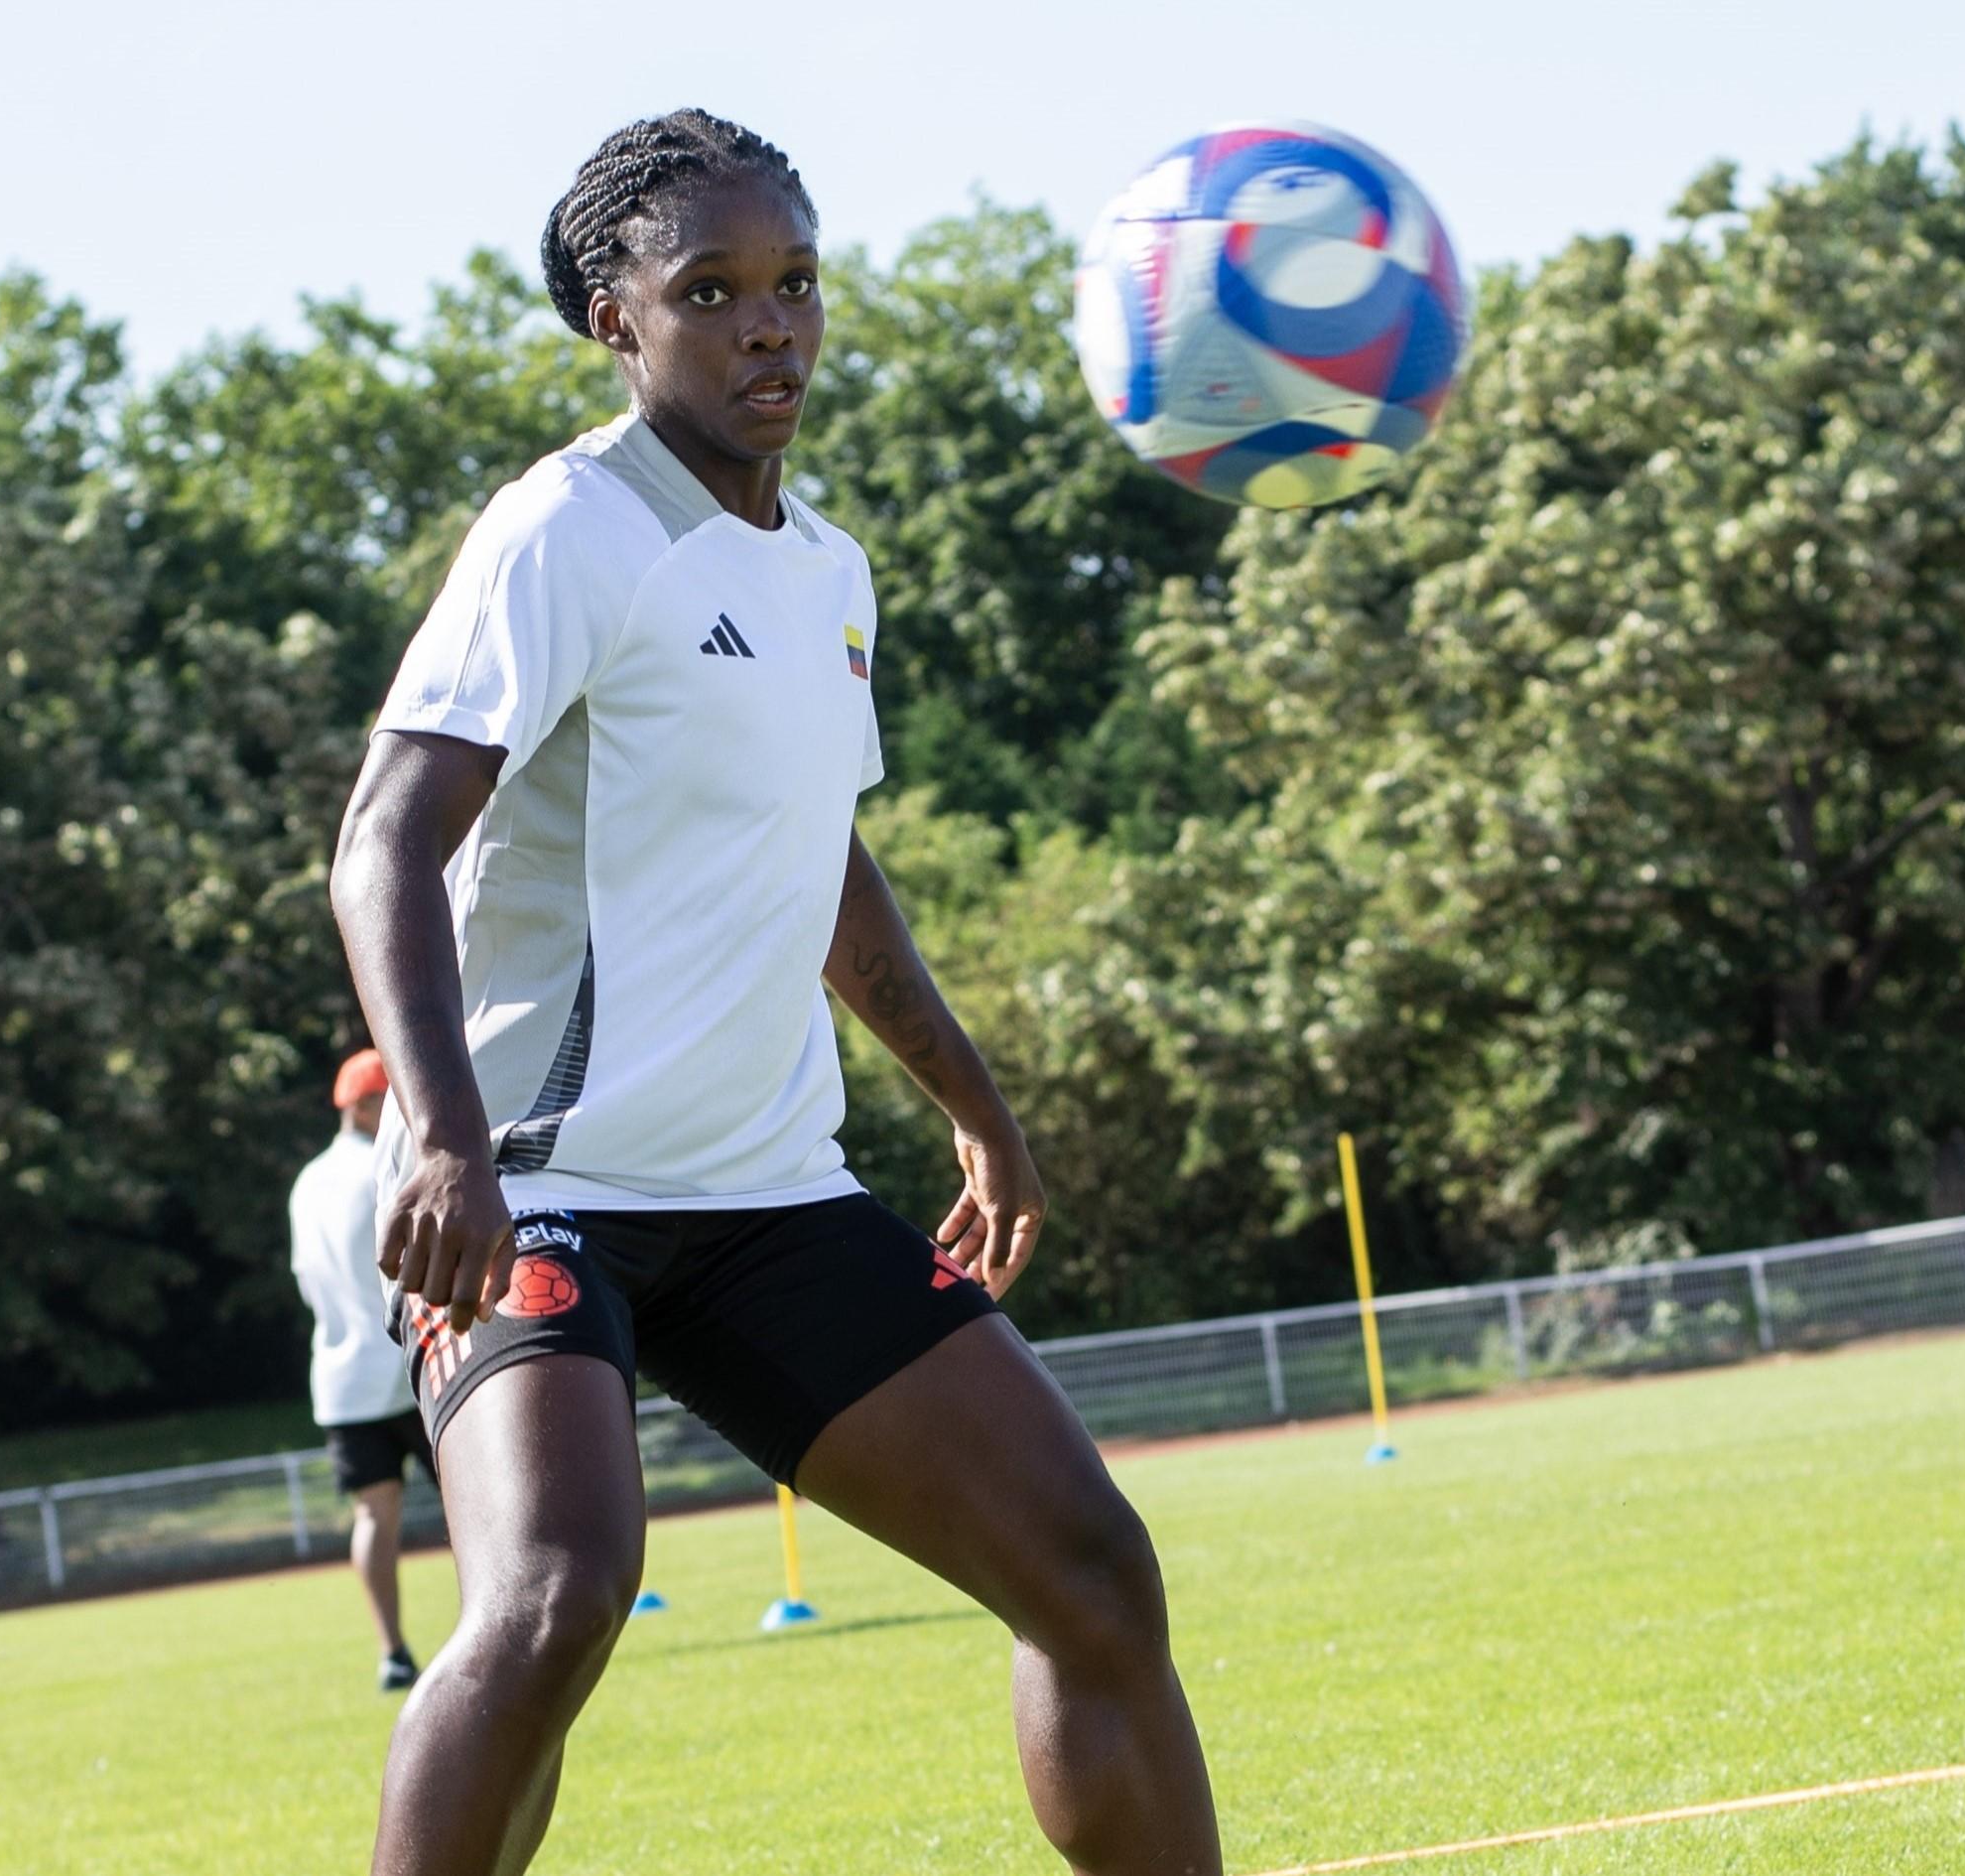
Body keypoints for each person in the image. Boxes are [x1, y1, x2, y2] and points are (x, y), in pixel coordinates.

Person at [328, 111, 1220, 1876]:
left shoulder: (823, 574)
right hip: (540, 1184)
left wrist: (973, 1105)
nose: (770, 326)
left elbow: (826, 871)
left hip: (766, 1196)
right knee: (558, 1594)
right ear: (613, 316)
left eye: (795, 283)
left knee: (1092, 1575)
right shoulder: (567, 530)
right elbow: (381, 843)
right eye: (712, 289)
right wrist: (442, 1139)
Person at [292, 1046, 433, 1694]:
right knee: (480, 1501)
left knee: (374, 1516)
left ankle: (393, 1651)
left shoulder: (307, 1182)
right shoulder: (382, 1164)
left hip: (341, 1377)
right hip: (408, 1360)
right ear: (373, 1104)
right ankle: (502, 1627)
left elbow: (304, 1280)